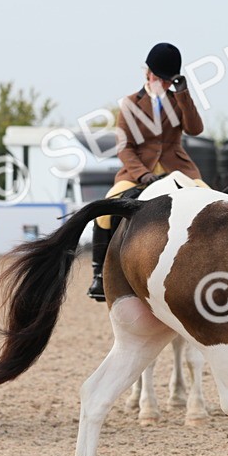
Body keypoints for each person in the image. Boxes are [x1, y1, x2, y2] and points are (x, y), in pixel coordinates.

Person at [88, 42, 206, 301]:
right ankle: (99, 275)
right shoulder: (130, 104)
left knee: (212, 199)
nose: (163, 85)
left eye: (168, 81)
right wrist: (142, 174)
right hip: (138, 170)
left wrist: (184, 93)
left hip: (178, 167)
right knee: (106, 210)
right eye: (159, 79)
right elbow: (124, 147)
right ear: (148, 73)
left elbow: (195, 129)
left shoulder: (177, 101)